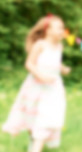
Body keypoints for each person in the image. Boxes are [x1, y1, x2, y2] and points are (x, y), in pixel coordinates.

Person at [2, 14, 71, 152]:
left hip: (53, 88)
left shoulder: (59, 46)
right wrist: (41, 76)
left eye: (63, 28)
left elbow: (55, 63)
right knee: (34, 118)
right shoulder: (40, 45)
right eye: (59, 27)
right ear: (48, 30)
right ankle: (34, 145)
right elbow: (29, 64)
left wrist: (63, 69)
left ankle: (35, 148)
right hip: (37, 87)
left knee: (48, 117)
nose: (62, 30)